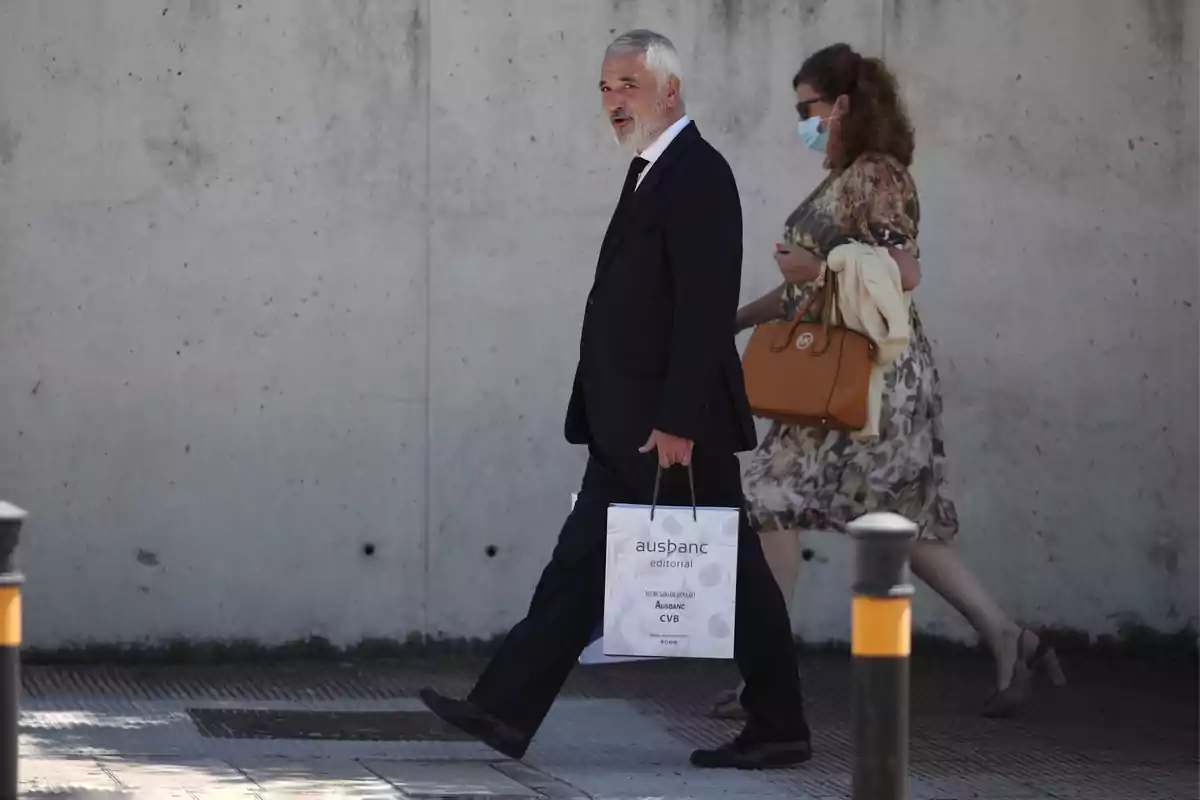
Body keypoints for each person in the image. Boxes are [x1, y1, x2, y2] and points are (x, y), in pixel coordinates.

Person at [419, 30, 813, 769]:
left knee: (734, 572)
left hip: (668, 424)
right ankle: (502, 710)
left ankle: (781, 725)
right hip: (627, 420)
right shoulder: (651, 170)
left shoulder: (697, 173)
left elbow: (702, 308)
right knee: (580, 569)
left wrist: (676, 420)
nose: (612, 100)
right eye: (604, 87)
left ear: (671, 90)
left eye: (627, 85)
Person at [707, 43, 1066, 721]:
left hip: (868, 375)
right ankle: (1009, 637)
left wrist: (813, 270)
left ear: (841, 105)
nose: (802, 121)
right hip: (855, 370)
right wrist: (729, 323)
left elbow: (900, 275)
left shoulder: (877, 176)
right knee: (901, 522)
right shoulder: (849, 175)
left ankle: (768, 677)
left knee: (765, 496)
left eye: (807, 108)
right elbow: (815, 292)